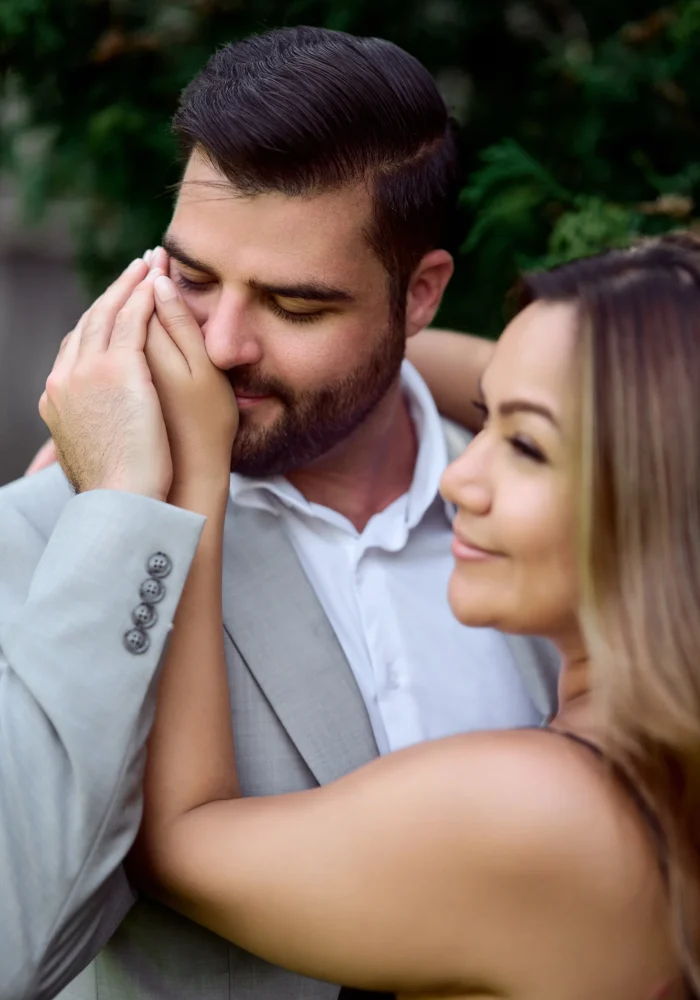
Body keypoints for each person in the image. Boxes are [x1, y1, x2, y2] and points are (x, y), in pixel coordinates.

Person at [0, 26, 558, 1000]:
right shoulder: (55, 533)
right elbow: (15, 948)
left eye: (294, 307)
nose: (220, 345)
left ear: (419, 295)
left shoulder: (558, 513)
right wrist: (125, 510)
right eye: (191, 277)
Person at [117, 233, 700, 999]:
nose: (460, 477)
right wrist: (324, 345)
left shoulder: (544, 814)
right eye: (483, 418)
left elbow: (176, 841)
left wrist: (182, 481)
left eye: (524, 444)